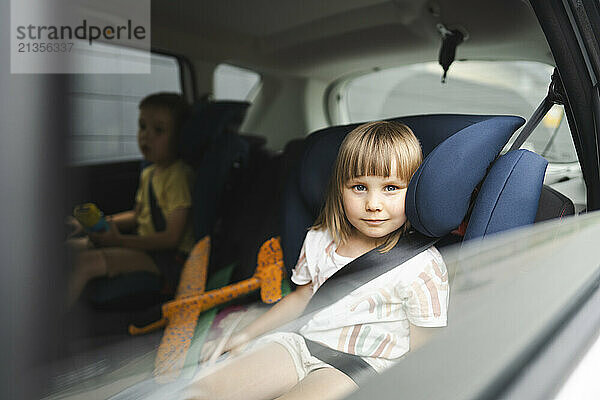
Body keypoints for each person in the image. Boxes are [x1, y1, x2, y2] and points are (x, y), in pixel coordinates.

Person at [184, 121, 449, 400]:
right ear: (341, 189)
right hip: (301, 344)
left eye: (391, 188)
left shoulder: (422, 266)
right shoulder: (322, 239)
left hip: (360, 366)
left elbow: (423, 351)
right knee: (204, 389)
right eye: (359, 187)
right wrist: (246, 335)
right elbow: (302, 297)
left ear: (414, 191)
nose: (373, 203)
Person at [67, 93, 194, 305]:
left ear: (180, 137)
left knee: (85, 263)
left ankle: (43, 327)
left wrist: (121, 241)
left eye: (159, 130)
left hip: (167, 259)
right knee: (70, 247)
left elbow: (172, 238)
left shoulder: (178, 177)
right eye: (142, 126)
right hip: (144, 246)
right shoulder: (149, 173)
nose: (146, 136)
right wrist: (97, 224)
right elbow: (137, 215)